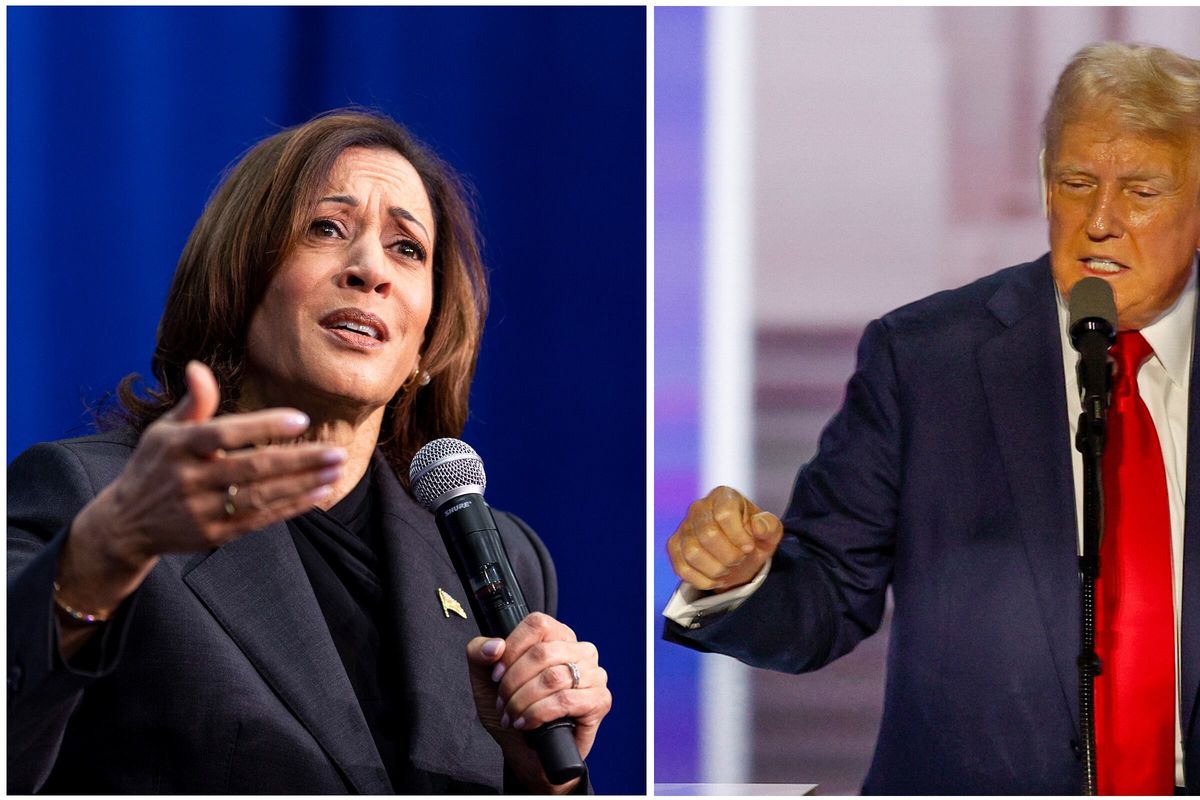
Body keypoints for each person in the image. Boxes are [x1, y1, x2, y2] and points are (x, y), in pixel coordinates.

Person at [8, 110, 611, 794]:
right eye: (326, 229)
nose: (369, 270)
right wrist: (102, 559)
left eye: (407, 248)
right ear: (240, 280)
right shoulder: (92, 500)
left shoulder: (500, 560)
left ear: (426, 341)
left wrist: (537, 779)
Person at [663, 42, 1199, 794]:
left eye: (1142, 192)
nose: (1101, 220)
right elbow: (824, 596)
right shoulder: (926, 360)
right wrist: (740, 580)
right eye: (1077, 183)